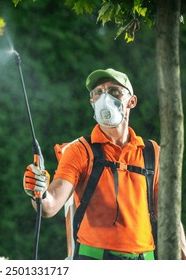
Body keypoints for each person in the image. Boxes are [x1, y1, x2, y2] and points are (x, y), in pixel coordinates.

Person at [23, 68, 186, 260]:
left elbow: (168, 215)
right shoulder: (80, 150)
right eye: (98, 92)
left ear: (132, 101)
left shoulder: (151, 152)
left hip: (145, 262)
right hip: (95, 262)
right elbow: (49, 206)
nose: (104, 98)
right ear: (92, 101)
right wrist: (39, 192)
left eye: (114, 91)